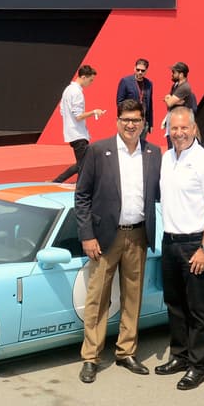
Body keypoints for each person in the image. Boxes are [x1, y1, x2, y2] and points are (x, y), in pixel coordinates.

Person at [73, 98, 161, 384]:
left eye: (136, 120)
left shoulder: (153, 153)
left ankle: (126, 352)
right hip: (104, 238)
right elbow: (82, 196)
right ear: (117, 121)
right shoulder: (98, 151)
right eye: (126, 120)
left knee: (132, 296)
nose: (131, 125)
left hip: (138, 234)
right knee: (97, 298)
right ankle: (91, 357)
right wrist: (87, 235)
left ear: (143, 123)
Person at [157, 106, 204, 390]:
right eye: (174, 128)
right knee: (175, 305)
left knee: (199, 310)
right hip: (170, 242)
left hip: (195, 244)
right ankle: (180, 355)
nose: (179, 133)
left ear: (194, 129)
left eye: (184, 128)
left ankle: (198, 366)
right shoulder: (166, 158)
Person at [53, 64, 104, 183]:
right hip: (78, 133)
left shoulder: (68, 90)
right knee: (83, 163)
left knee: (83, 163)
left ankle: (67, 182)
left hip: (72, 132)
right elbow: (78, 116)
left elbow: (62, 111)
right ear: (84, 77)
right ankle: (57, 181)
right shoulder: (77, 93)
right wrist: (94, 112)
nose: (91, 83)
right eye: (90, 80)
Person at [115, 58, 153, 145]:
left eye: (142, 70)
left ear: (146, 71)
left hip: (143, 121)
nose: (140, 72)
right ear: (134, 68)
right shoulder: (125, 81)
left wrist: (150, 123)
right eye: (138, 69)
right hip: (130, 120)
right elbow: (119, 102)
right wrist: (124, 118)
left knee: (141, 145)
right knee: (128, 144)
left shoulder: (149, 83)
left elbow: (150, 104)